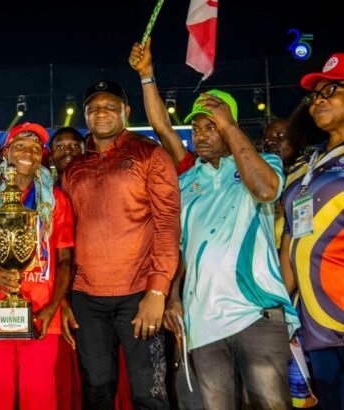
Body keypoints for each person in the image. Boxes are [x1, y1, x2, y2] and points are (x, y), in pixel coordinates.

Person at [129, 40, 300, 409]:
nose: (201, 134)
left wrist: (229, 123)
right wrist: (146, 75)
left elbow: (265, 191)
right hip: (203, 322)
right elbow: (163, 128)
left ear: (230, 126)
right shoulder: (189, 176)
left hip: (256, 314)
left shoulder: (263, 164)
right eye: (197, 127)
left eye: (212, 126)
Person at [62, 79, 180, 409]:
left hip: (139, 293)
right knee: (96, 390)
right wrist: (64, 297)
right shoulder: (73, 169)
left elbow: (167, 226)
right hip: (86, 298)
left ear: (126, 111)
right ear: (85, 115)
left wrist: (157, 292)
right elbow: (65, 238)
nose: (101, 113)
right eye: (93, 108)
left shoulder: (149, 155)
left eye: (110, 107)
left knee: (149, 392)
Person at [0, 122, 74, 410]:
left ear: (41, 156)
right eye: (20, 146)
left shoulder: (56, 202)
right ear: (6, 153)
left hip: (41, 316)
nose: (27, 153)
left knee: (40, 400)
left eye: (35, 148)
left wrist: (53, 307)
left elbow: (64, 261)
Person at [280, 52, 344, 410]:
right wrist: (282, 306)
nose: (318, 100)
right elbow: (291, 236)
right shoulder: (309, 161)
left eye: (331, 90)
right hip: (314, 324)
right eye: (315, 95)